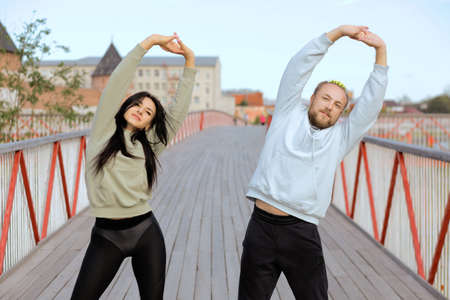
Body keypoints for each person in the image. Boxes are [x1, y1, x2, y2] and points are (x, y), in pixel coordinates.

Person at [238, 25, 388, 300]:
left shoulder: (341, 137)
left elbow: (370, 104)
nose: (330, 106)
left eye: (338, 105)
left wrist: (380, 51)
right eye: (326, 98)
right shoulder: (286, 112)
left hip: (301, 232)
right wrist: (338, 33)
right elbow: (298, 67)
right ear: (312, 98)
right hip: (260, 227)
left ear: (341, 113)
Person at [71, 33, 196, 300]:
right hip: (106, 236)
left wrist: (190, 61)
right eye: (137, 104)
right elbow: (117, 82)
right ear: (126, 105)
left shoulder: (150, 145)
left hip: (145, 233)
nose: (140, 110)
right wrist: (148, 43)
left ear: (150, 124)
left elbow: (178, 112)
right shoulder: (104, 131)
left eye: (148, 112)